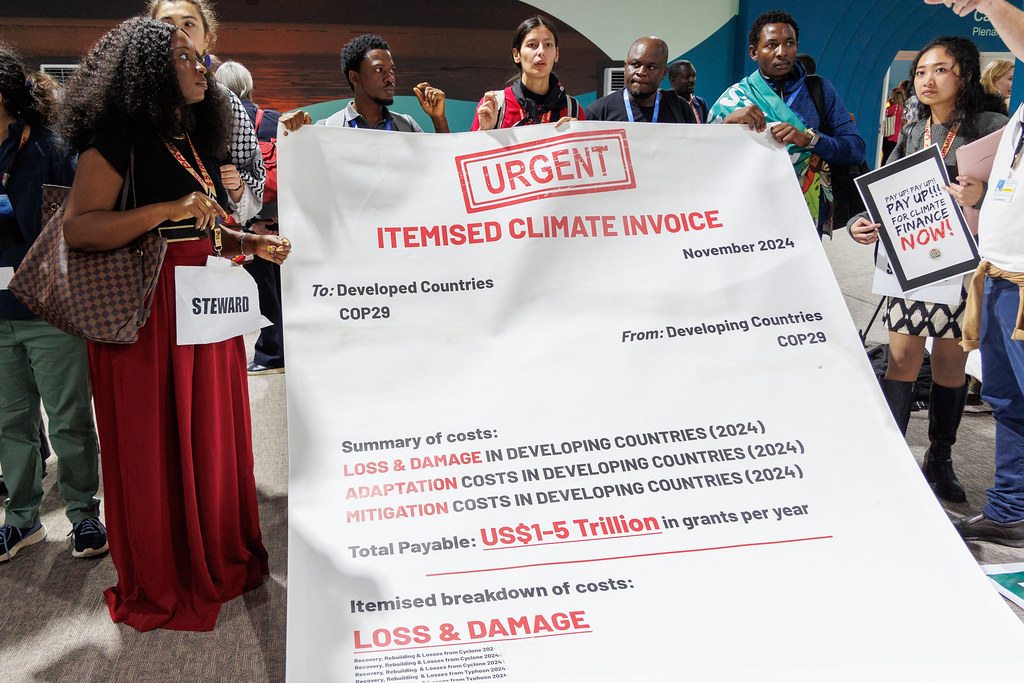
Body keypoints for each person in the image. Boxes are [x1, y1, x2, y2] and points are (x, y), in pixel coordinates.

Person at [59, 17, 291, 631]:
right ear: (151, 73)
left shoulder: (193, 136)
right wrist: (169, 208)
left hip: (204, 307)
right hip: (147, 310)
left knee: (212, 436)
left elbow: (203, 224)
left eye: (200, 56)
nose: (201, 66)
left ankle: (213, 553)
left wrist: (249, 241)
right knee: (154, 443)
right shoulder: (117, 138)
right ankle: (165, 572)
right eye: (185, 58)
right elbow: (79, 227)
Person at [849, 35, 1007, 504]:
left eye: (940, 70)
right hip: (914, 263)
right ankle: (894, 459)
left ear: (966, 74)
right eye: (921, 71)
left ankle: (940, 458)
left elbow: (1014, 197)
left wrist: (983, 195)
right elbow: (887, 190)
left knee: (950, 364)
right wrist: (863, 223)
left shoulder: (992, 127)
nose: (927, 80)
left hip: (965, 265)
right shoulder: (915, 129)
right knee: (901, 361)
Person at [0, 44, 107, 562]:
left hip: (49, 308)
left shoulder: (51, 146)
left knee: (68, 418)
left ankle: (84, 514)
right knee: (10, 422)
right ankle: (21, 519)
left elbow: (76, 223)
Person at [925, 0, 1024, 546]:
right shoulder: (1017, 119)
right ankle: (1010, 511)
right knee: (1007, 402)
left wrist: (988, 2)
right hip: (999, 276)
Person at [709, 10, 866, 236]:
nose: (782, 52)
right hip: (748, 216)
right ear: (754, 52)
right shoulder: (734, 99)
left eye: (789, 43)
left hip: (806, 217)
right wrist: (725, 126)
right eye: (771, 45)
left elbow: (856, 150)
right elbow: (705, 163)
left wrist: (810, 140)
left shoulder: (820, 91)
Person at [148, 0, 265, 225]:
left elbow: (251, 190)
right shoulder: (128, 101)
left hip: (205, 241)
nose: (178, 32)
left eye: (188, 24)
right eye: (166, 24)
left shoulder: (224, 102)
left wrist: (237, 185)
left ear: (206, 39)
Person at [215, 60, 285, 375]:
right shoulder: (276, 120)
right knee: (284, 290)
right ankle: (286, 349)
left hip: (248, 224)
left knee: (264, 292)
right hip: (282, 219)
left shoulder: (221, 125)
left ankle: (270, 354)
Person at [281, 34, 448, 133]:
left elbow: (441, 167)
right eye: (379, 69)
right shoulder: (326, 128)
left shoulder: (407, 126)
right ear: (354, 77)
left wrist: (438, 119)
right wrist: (293, 134)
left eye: (392, 70)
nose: (389, 78)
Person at [472, 15, 584, 130]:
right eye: (532, 45)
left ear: (557, 54)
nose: (541, 51)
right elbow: (474, 142)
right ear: (516, 55)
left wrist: (577, 135)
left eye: (548, 44)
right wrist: (484, 131)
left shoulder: (572, 109)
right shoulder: (494, 106)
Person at [584, 37, 697, 123]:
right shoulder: (597, 113)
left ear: (664, 73)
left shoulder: (681, 109)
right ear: (625, 67)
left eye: (651, 67)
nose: (641, 72)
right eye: (635, 64)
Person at [881, 85, 906, 164]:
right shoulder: (903, 108)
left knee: (886, 157)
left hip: (890, 136)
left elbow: (884, 113)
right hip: (897, 137)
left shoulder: (895, 107)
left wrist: (887, 103)